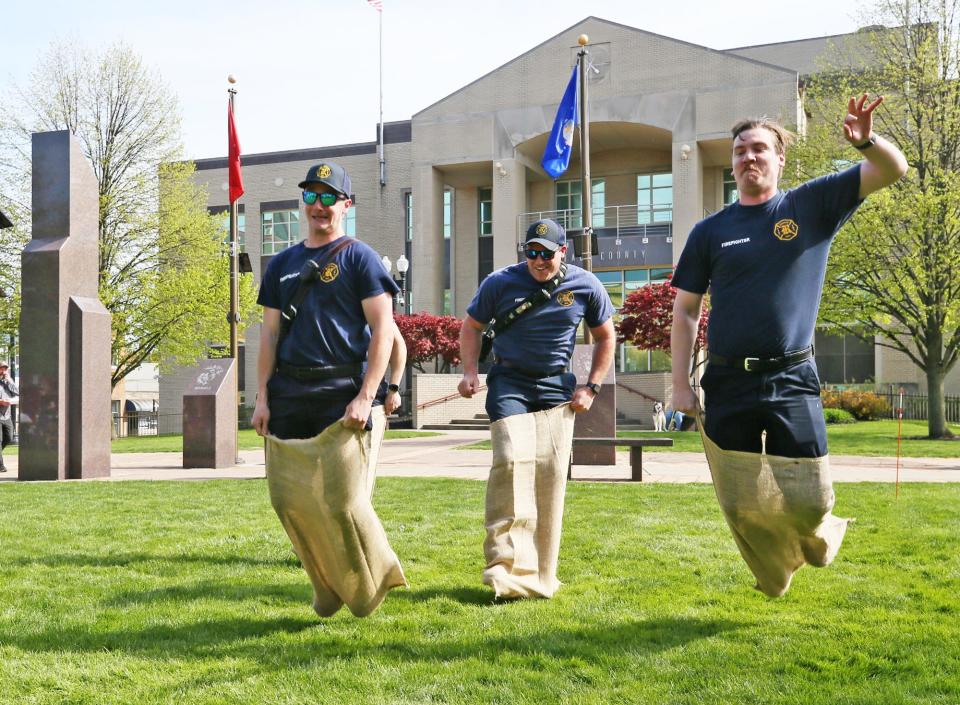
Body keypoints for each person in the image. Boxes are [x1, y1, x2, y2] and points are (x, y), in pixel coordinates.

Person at [670, 95, 908, 595]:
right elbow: (686, 309)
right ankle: (773, 573)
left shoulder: (810, 205)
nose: (748, 157)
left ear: (780, 159)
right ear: (732, 162)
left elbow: (893, 168)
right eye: (739, 151)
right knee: (740, 501)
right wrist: (681, 386)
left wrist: (864, 141)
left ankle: (819, 535)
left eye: (759, 148)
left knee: (810, 498)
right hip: (729, 378)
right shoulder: (710, 232)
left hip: (790, 377)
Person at [251, 160, 407, 617]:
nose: (320, 206)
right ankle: (323, 583)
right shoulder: (281, 264)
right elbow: (269, 336)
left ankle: (369, 582)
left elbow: (383, 330)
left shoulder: (360, 257)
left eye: (329, 197)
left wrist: (366, 395)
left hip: (341, 391)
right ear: (305, 202)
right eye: (312, 197)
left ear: (346, 204)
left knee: (342, 502)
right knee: (288, 501)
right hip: (289, 393)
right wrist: (261, 396)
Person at [459, 218, 615, 599]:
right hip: (509, 380)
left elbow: (606, 335)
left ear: (563, 252)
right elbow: (471, 326)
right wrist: (468, 371)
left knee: (550, 473)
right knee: (511, 459)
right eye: (532, 252)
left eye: (546, 253)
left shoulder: (585, 285)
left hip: (555, 384)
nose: (538, 260)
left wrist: (591, 387)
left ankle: (543, 572)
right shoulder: (500, 282)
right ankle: (504, 566)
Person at [0, 361, 18, 473]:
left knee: (9, 438)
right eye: (1, 368)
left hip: (6, 416)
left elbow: (17, 393)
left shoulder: (7, 382)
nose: (3, 371)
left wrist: (10, 380)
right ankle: (1, 466)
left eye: (5, 369)